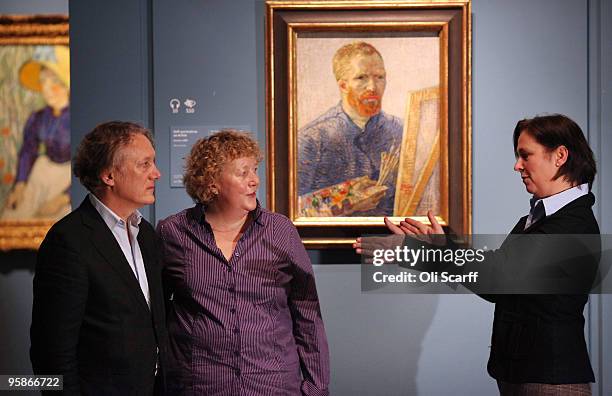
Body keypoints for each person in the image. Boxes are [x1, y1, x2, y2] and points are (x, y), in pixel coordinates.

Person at [356, 114, 599, 395]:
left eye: (525, 155)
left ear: (560, 155)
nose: (517, 165)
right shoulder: (540, 217)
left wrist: (414, 252)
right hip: (525, 374)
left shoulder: (572, 225)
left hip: (550, 381)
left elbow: (498, 278)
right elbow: (500, 268)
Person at [158, 129, 330, 395]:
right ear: (212, 182)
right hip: (201, 386)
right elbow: (157, 313)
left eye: (255, 170)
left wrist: (316, 388)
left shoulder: (280, 230)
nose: (255, 181)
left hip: (273, 386)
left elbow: (307, 313)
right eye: (243, 172)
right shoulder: (174, 233)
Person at [30, 121, 167, 395]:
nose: (157, 174)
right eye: (144, 164)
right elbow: (52, 353)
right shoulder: (68, 241)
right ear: (109, 176)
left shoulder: (147, 236)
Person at [297, 41, 403, 215]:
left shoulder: (402, 132)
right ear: (343, 85)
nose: (372, 87)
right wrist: (348, 200)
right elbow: (291, 209)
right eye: (361, 78)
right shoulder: (312, 138)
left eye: (379, 77)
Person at [2, 45, 71, 220]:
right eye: (43, 82)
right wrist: (20, 184)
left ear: (66, 84)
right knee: (16, 215)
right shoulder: (38, 117)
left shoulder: (78, 117)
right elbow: (28, 150)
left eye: (53, 81)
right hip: (43, 171)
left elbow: (90, 164)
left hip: (69, 177)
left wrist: (64, 198)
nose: (47, 88)